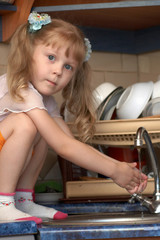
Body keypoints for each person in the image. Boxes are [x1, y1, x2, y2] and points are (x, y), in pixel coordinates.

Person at [0, 12, 148, 224]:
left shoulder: (45, 102)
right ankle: (3, 204)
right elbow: (63, 147)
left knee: (45, 128)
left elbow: (69, 143)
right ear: (28, 52)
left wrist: (119, 168)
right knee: (26, 123)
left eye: (68, 66)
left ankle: (21, 200)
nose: (58, 71)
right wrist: (115, 171)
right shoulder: (22, 91)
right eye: (51, 57)